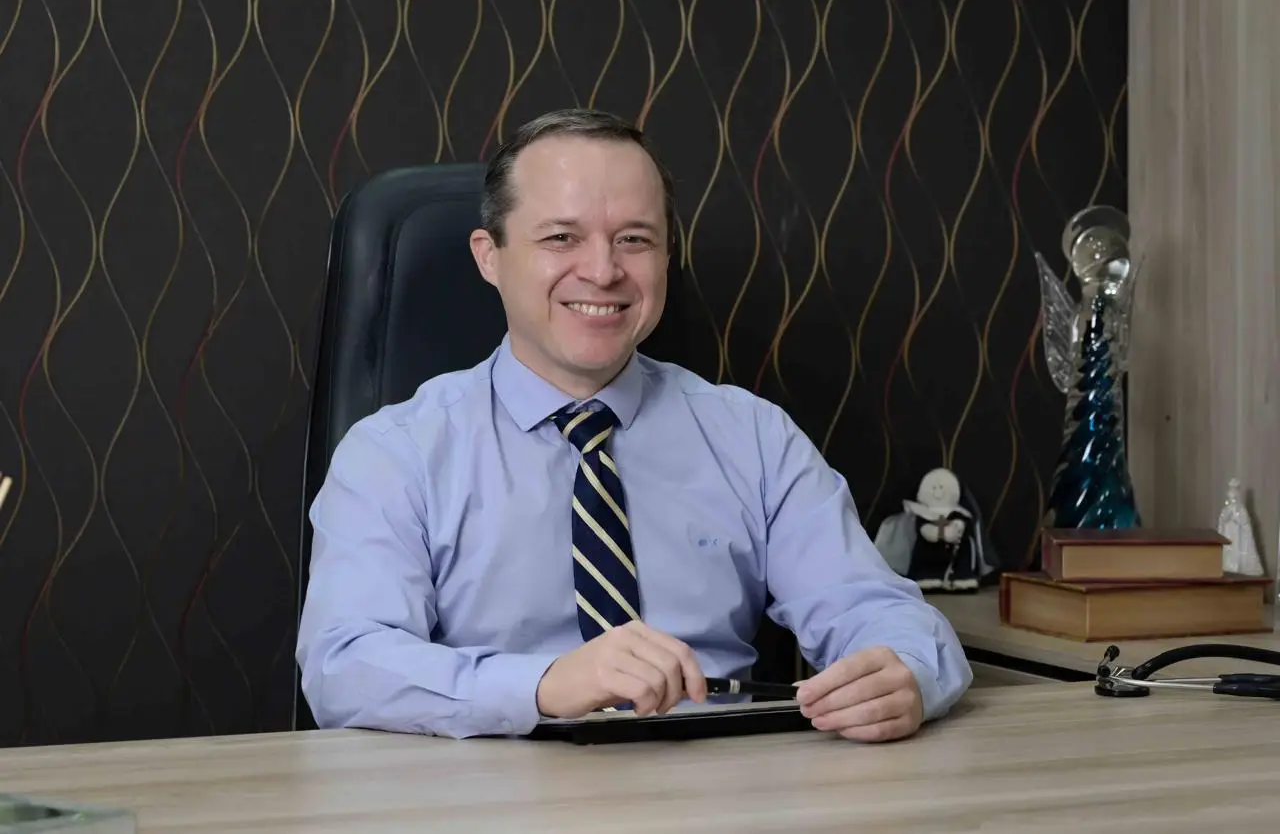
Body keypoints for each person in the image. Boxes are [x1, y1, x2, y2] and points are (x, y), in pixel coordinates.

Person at [295, 108, 972, 742]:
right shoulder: (395, 453)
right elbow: (343, 666)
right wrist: (542, 685)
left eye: (634, 240)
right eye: (561, 237)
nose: (602, 271)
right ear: (489, 255)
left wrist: (907, 670)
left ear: (666, 255)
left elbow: (882, 613)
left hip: (719, 787)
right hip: (489, 794)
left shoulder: (753, 438)